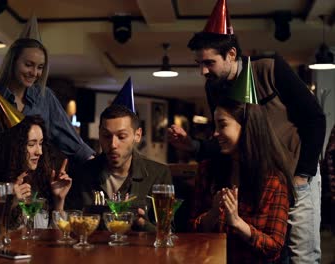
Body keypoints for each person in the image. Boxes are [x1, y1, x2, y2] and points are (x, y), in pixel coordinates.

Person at [168, 1, 326, 262]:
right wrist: (193, 146)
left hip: (297, 172)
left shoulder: (270, 68)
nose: (202, 71)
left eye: (209, 62)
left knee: (303, 256)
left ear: (231, 54)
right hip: (257, 177)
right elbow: (228, 140)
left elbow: (315, 119)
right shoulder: (214, 87)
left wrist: (302, 176)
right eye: (199, 63)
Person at [190, 97, 295, 263]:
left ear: (247, 127)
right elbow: (189, 231)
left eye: (222, 125)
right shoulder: (207, 170)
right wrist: (212, 214)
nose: (215, 133)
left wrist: (238, 223)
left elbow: (274, 248)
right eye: (215, 126)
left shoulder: (274, 180)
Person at [68, 104, 172, 231]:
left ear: (137, 135)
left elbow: (168, 232)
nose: (113, 144)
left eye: (121, 137)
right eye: (106, 136)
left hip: (140, 250)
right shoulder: (82, 173)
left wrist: (142, 223)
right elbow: (69, 227)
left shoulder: (158, 174)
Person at [0, 38, 94, 163]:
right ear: (12, 62)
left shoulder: (45, 97)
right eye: (28, 65)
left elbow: (72, 142)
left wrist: (97, 166)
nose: (34, 73)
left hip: (35, 177)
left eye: (40, 67)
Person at [0, 115, 72, 231]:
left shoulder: (43, 181)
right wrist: (10, 205)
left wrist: (59, 201)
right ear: (15, 147)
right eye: (31, 144)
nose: (40, 152)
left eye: (41, 143)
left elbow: (53, 239)